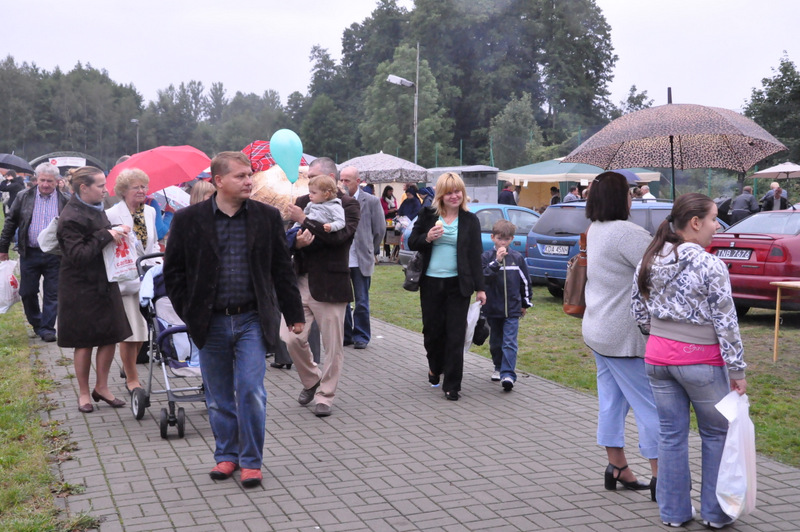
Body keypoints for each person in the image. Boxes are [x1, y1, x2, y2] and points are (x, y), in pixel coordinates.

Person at [164, 151, 305, 488]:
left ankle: (251, 461)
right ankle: (227, 455)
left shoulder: (267, 217)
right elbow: (174, 273)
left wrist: (293, 314)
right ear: (218, 181)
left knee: (251, 391)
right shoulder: (188, 220)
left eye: (249, 175)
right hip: (209, 322)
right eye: (240, 176)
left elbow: (281, 270)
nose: (248, 181)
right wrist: (191, 312)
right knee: (218, 397)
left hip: (251, 320)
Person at [632, 193, 747, 529]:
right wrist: (737, 369)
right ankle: (715, 513)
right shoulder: (711, 265)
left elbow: (638, 310)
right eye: (713, 219)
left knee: (671, 435)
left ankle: (673, 512)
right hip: (702, 361)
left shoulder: (649, 259)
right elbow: (726, 322)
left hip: (657, 357)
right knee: (716, 434)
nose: (717, 226)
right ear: (695, 223)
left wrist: (662, 335)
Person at [581, 171, 659, 500]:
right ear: (619, 197)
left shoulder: (596, 228)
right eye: (629, 192)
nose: (632, 197)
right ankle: (662, 477)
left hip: (598, 330)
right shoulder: (627, 233)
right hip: (623, 337)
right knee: (652, 406)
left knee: (612, 401)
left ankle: (617, 466)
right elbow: (661, 272)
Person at [281, 157, 360, 417]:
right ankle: (312, 379)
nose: (308, 182)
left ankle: (325, 395)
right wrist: (297, 243)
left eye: (312, 177)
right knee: (290, 338)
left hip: (330, 285)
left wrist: (305, 220)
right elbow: (288, 238)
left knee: (332, 346)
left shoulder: (348, 205)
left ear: (330, 180)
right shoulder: (303, 200)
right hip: (301, 281)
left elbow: (339, 238)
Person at [56, 166, 132, 413]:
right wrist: (107, 234)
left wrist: (116, 230)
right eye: (100, 186)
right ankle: (84, 393)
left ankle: (102, 387)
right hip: (80, 287)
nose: (105, 190)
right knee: (84, 341)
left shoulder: (97, 207)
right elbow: (79, 255)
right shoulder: (70, 216)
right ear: (83, 188)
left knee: (110, 336)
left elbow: (101, 237)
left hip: (104, 281)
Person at [408, 172, 486, 401]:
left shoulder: (470, 220)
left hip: (458, 285)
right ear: (441, 195)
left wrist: (481, 288)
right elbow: (412, 242)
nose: (454, 196)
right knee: (432, 332)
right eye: (449, 192)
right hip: (431, 283)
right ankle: (435, 367)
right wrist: (428, 237)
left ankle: (452, 385)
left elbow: (475, 256)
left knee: (455, 335)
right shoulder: (428, 215)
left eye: (457, 191)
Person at [0, 163, 69, 342]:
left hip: (55, 254)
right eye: (42, 180)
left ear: (57, 181)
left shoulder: (65, 200)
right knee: (27, 292)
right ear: (36, 179)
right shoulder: (24, 196)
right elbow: (11, 221)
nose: (45, 184)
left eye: (50, 181)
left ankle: (47, 328)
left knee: (52, 293)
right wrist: (3, 248)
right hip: (30, 252)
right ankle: (37, 323)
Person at [106, 169, 160, 393]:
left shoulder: (150, 211)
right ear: (123, 191)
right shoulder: (111, 214)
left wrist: (157, 265)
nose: (141, 190)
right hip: (125, 280)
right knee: (131, 332)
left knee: (142, 330)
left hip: (147, 277)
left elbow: (153, 243)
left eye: (143, 186)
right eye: (135, 187)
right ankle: (132, 378)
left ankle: (128, 368)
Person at [481, 219, 531, 391]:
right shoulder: (486, 257)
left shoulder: (517, 258)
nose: (503, 243)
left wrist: (525, 303)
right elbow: (482, 278)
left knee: (509, 342)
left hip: (512, 308)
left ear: (512, 239)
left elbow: (525, 282)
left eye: (507, 239)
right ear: (493, 238)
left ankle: (508, 374)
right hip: (493, 308)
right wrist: (496, 262)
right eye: (500, 239)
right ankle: (498, 366)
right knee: (496, 342)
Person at [339, 166, 386, 349]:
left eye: (347, 180)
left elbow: (379, 229)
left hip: (361, 260)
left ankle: (361, 335)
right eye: (341, 180)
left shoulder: (371, 201)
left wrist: (370, 248)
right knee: (343, 301)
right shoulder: (337, 201)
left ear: (358, 182)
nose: (343, 184)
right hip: (342, 259)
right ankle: (346, 335)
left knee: (362, 301)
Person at [381, 186, 399, 258]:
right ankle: (387, 253)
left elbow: (396, 206)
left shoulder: (393, 199)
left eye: (392, 191)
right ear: (386, 191)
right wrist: (389, 211)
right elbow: (381, 210)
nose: (391, 193)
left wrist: (395, 210)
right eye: (390, 191)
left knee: (395, 234)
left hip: (393, 218)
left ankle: (394, 253)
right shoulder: (382, 200)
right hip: (385, 218)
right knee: (386, 235)